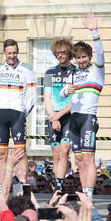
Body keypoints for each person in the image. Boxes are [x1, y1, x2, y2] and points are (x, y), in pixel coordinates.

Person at [60, 12, 104, 201]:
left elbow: (101, 53)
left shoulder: (97, 70)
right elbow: (63, 93)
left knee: (88, 159)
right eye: (78, 58)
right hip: (74, 120)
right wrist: (66, 91)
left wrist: (94, 31)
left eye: (84, 57)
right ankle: (84, 191)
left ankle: (89, 193)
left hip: (87, 118)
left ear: (89, 57)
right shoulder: (74, 73)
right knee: (78, 160)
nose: (81, 61)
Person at [0, 39, 37, 192]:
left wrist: (24, 112)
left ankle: (23, 185)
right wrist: (1, 106)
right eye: (9, 53)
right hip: (1, 113)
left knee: (20, 152)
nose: (12, 56)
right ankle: (1, 186)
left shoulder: (27, 70)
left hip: (18, 113)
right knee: (1, 153)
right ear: (4, 53)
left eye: (15, 53)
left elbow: (32, 96)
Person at [44, 38, 76, 192]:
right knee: (56, 154)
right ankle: (57, 187)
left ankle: (60, 183)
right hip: (53, 115)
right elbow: (46, 97)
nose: (60, 56)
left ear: (69, 53)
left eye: (63, 53)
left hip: (69, 116)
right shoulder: (49, 72)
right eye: (57, 53)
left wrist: (58, 115)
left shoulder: (76, 72)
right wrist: (52, 116)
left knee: (64, 151)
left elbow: (76, 100)